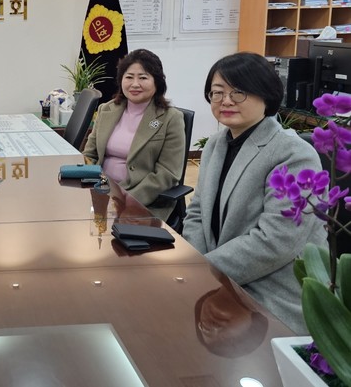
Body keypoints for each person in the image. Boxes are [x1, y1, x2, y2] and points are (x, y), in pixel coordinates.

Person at [183, 52, 325, 334]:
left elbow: (276, 241)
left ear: (266, 95)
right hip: (220, 277)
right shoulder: (215, 144)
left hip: (271, 290)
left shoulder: (294, 154)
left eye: (238, 92)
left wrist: (204, 270)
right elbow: (197, 211)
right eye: (217, 92)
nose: (226, 101)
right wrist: (197, 266)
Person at [82, 49, 185, 219]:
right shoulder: (106, 109)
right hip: (99, 192)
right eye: (129, 77)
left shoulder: (171, 118)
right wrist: (90, 187)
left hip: (141, 201)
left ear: (157, 82)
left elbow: (168, 173)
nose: (135, 84)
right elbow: (90, 154)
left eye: (143, 78)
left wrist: (127, 199)